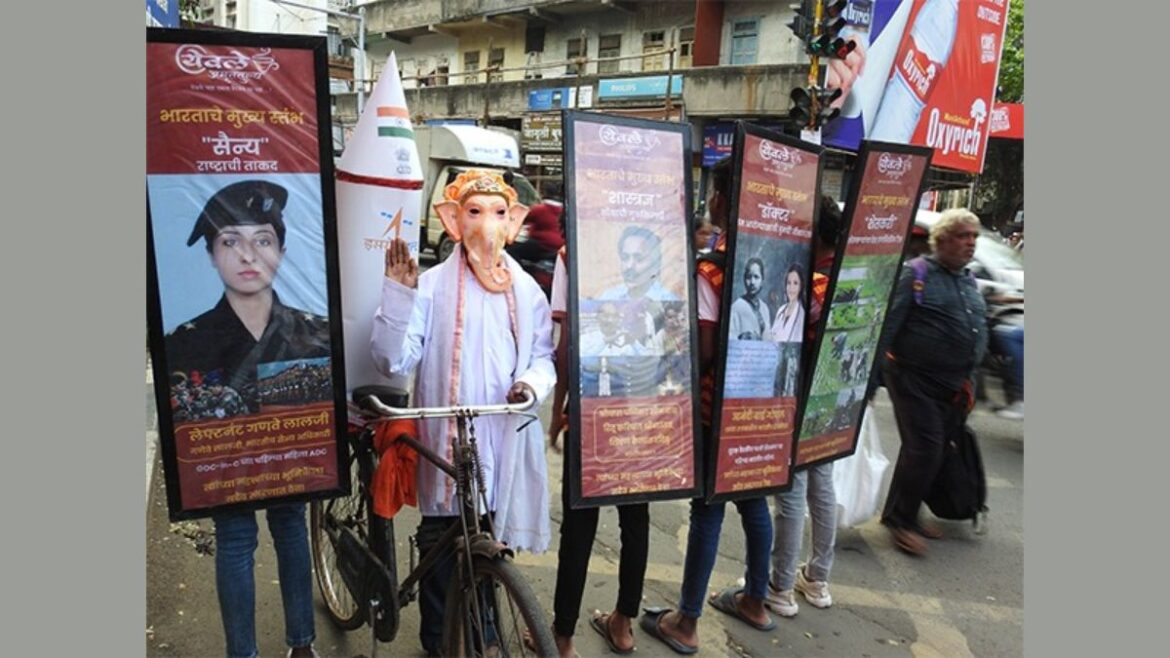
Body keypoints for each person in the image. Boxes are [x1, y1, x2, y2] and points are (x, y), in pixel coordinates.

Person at [371, 169, 556, 656]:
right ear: (454, 221)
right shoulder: (430, 287)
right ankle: (438, 642)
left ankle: (485, 635)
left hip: (499, 438)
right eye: (475, 213)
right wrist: (398, 294)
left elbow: (543, 357)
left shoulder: (526, 292)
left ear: (513, 222)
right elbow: (395, 359)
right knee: (440, 547)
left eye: (498, 214)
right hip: (444, 440)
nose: (487, 226)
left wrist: (530, 385)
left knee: (489, 543)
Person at [165, 179, 327, 658]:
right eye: (230, 241)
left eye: (262, 239)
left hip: (288, 456)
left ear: (281, 249)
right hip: (229, 465)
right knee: (236, 537)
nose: (247, 255)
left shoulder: (314, 336)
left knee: (291, 524)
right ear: (212, 255)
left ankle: (302, 644)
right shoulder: (185, 342)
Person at [640, 167, 775, 655]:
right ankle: (756, 600)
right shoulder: (775, 258)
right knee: (755, 499)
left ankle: (687, 620)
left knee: (708, 508)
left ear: (718, 201)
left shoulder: (712, 270)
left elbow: (704, 348)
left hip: (715, 406)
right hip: (763, 403)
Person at [540, 242, 652, 658]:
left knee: (580, 522)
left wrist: (558, 410)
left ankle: (563, 635)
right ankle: (623, 623)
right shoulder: (658, 241)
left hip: (592, 407)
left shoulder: (574, 248)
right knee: (636, 517)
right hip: (644, 407)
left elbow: (566, 339)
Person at [876, 208, 988, 556]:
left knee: (931, 450)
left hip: (954, 384)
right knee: (925, 448)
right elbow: (888, 328)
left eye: (974, 237)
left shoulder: (967, 280)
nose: (970, 243)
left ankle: (900, 512)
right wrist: (868, 384)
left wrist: (970, 379)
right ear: (942, 240)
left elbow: (976, 332)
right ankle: (901, 522)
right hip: (912, 379)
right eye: (962, 235)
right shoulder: (916, 274)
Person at [766, 196, 843, 619]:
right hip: (832, 399)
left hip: (799, 396)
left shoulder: (806, 286)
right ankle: (818, 579)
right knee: (822, 485)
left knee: (792, 492)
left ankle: (780, 589)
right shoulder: (845, 277)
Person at [597, 225, 679, 302]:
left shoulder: (667, 301)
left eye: (639, 259)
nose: (629, 266)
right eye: (625, 258)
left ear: (655, 266)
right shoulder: (609, 298)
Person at [505, 200, 564, 300]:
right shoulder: (563, 209)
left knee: (512, 250)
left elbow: (520, 218)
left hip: (542, 244)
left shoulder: (541, 209)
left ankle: (517, 273)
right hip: (558, 245)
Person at [771, 263, 806, 398]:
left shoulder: (801, 314)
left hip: (788, 373)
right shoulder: (781, 310)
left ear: (801, 286)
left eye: (795, 283)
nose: (791, 288)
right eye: (789, 283)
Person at [729, 258, 772, 340]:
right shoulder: (736, 307)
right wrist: (742, 338)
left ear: (762, 280)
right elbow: (731, 338)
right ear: (744, 279)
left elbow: (768, 339)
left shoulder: (764, 308)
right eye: (749, 277)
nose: (752, 282)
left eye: (756, 277)